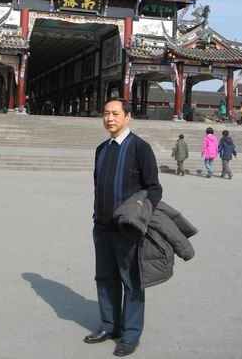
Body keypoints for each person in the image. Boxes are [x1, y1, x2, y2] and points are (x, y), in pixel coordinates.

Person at [84, 98, 162, 357]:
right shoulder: (101, 149)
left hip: (128, 230)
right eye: (106, 113)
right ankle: (109, 326)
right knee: (105, 278)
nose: (110, 118)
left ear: (127, 117)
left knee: (132, 281)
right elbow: (98, 185)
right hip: (102, 227)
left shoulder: (140, 148)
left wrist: (139, 213)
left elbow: (154, 188)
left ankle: (130, 334)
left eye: (115, 114)